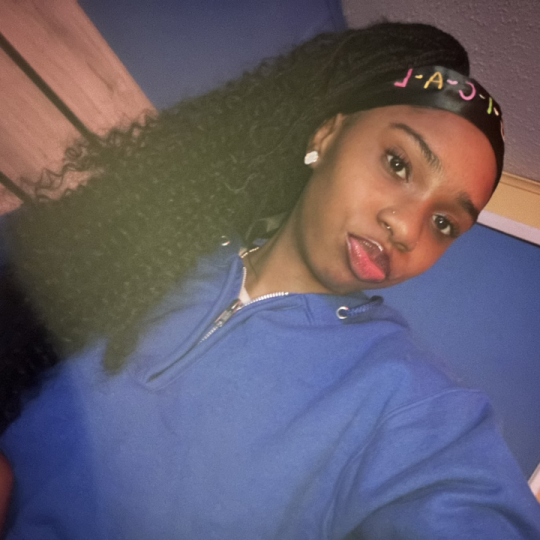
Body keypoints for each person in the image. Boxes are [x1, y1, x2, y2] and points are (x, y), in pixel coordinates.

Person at [0, 21, 539, 539]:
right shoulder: (145, 242)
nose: (406, 227)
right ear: (328, 133)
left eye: (444, 223)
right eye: (398, 164)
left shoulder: (412, 404)